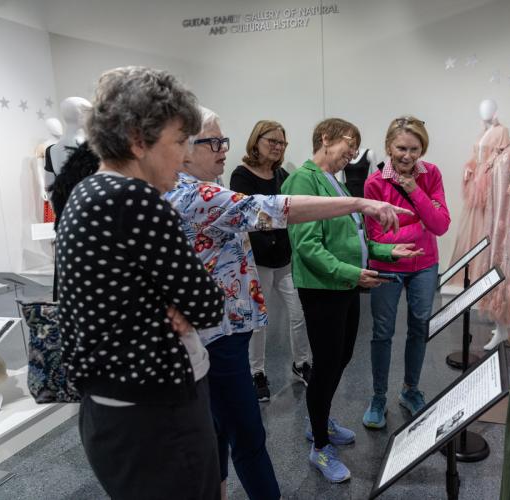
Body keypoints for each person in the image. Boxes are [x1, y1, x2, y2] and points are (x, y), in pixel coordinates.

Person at [166, 110, 413, 498]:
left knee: (220, 431)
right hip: (221, 332)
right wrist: (360, 206)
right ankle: (315, 443)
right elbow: (281, 217)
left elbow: (350, 236)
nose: (222, 150)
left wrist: (375, 246)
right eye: (213, 142)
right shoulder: (193, 193)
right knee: (248, 436)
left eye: (223, 141)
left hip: (220, 327)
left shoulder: (192, 189)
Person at [56, 66, 225, 500]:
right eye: (177, 142)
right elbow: (207, 304)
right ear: (137, 139)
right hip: (157, 409)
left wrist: (167, 301)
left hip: (111, 407)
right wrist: (178, 303)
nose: (185, 156)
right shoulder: (136, 199)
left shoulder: (87, 192)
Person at [281, 117, 423, 483]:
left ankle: (320, 422)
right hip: (323, 288)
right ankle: (319, 448)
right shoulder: (303, 179)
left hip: (343, 286)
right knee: (327, 364)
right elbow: (307, 246)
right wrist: (351, 274)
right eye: (350, 145)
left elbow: (352, 241)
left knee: (339, 358)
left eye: (357, 149)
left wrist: (389, 253)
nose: (353, 155)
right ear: (326, 138)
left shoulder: (336, 180)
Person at [362, 116, 450, 428]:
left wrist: (415, 191)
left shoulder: (432, 175)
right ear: (389, 147)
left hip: (425, 266)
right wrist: (419, 224)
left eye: (415, 149)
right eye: (401, 148)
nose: (407, 155)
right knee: (382, 333)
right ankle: (378, 395)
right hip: (387, 267)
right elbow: (376, 239)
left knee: (419, 328)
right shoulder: (374, 183)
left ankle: (410, 390)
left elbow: (440, 225)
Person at [230, 120, 311, 402]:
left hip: (284, 260)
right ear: (256, 141)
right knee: (259, 321)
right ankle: (257, 372)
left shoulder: (282, 174)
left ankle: (302, 363)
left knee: (299, 312)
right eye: (272, 141)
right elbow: (247, 217)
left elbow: (289, 212)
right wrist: (273, 233)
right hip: (259, 260)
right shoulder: (241, 175)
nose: (277, 147)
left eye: (282, 143)